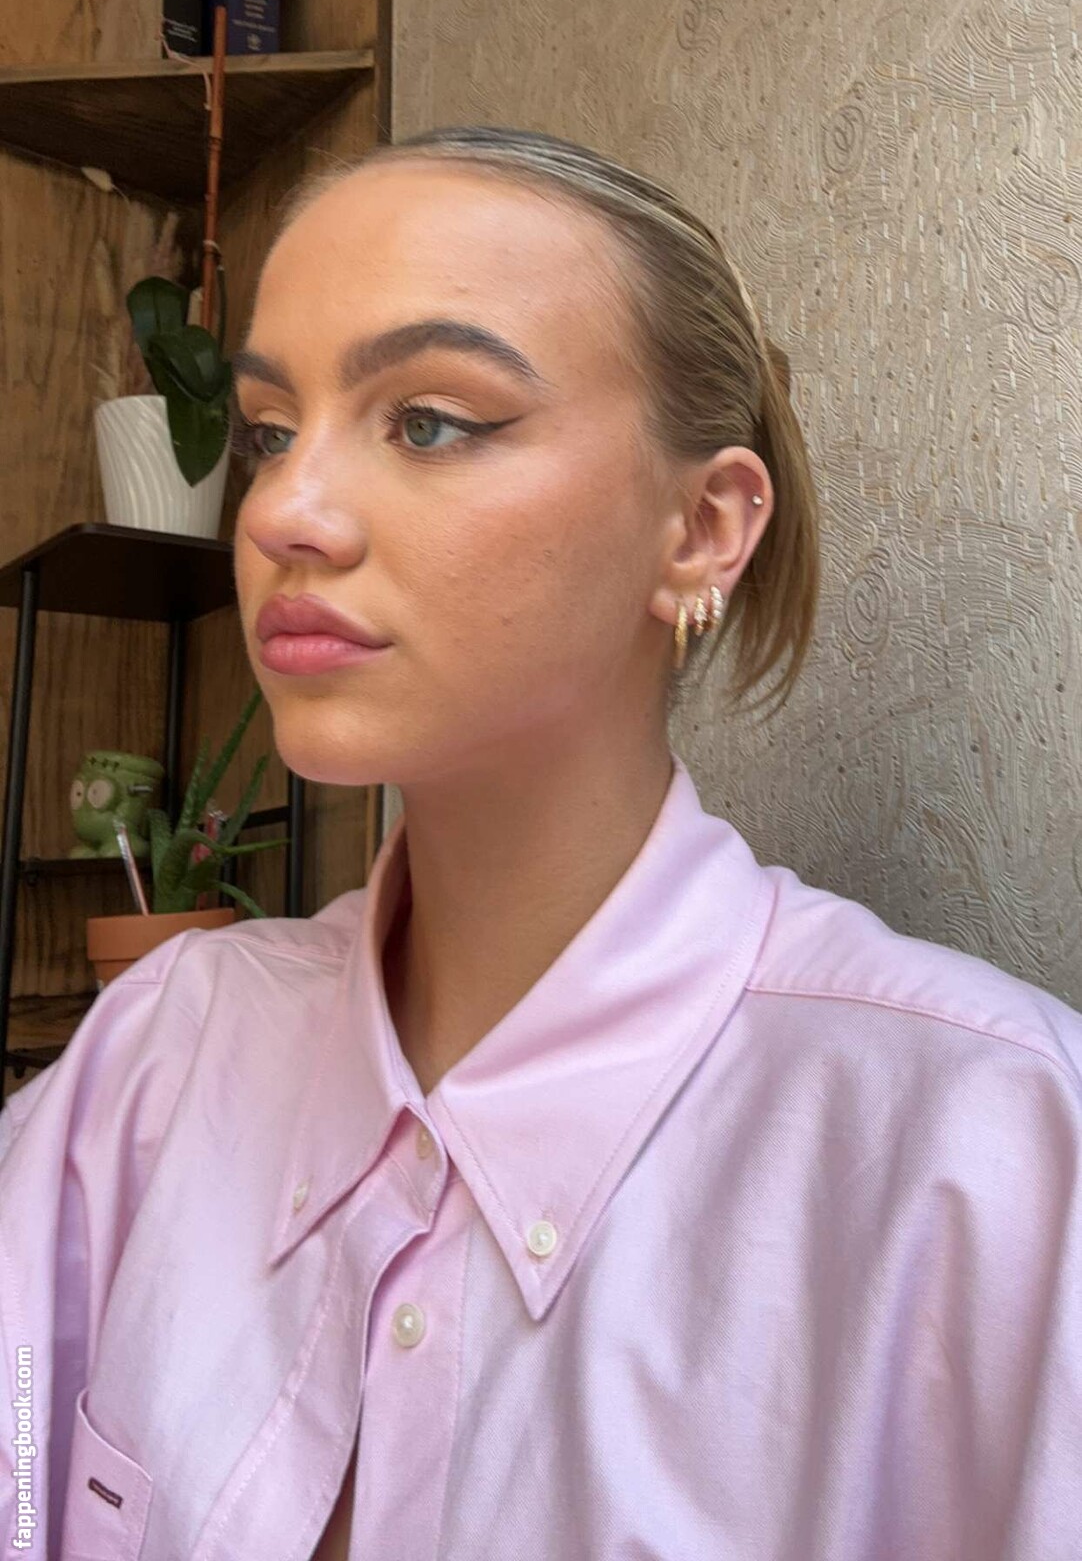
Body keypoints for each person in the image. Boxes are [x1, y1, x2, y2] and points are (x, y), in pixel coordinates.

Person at [1, 125, 1080, 1561]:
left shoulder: (991, 1158)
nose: (283, 512)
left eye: (429, 421)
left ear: (702, 527)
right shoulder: (154, 1059)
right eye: (269, 431)